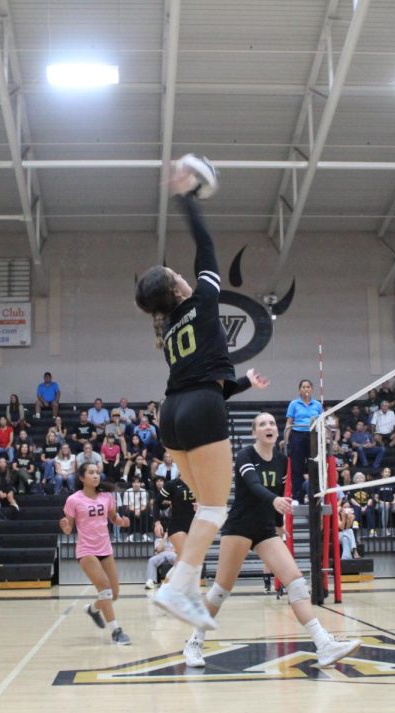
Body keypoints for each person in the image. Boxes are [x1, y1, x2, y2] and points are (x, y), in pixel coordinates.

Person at [134, 163, 270, 631]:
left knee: (203, 509)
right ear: (177, 287)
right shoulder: (203, 301)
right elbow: (207, 247)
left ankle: (185, 586)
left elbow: (206, 380)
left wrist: (244, 384)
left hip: (170, 414)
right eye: (176, 273)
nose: (183, 274)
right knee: (215, 508)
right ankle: (177, 585)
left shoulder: (169, 326)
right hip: (200, 408)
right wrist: (187, 197)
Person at [180, 413, 360, 668]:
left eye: (272, 423)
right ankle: (194, 642)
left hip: (265, 529)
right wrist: (274, 500)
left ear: (277, 432)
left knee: (296, 583)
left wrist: (278, 525)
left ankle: (323, 645)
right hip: (240, 527)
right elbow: (254, 485)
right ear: (254, 433)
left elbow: (278, 496)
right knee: (220, 590)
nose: (268, 427)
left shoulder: (281, 460)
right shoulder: (245, 456)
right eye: (262, 424)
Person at [61, 462, 132, 645]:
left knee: (114, 593)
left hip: (105, 549)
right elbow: (68, 529)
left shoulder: (107, 496)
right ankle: (116, 631)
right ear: (82, 478)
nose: (95, 476)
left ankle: (92, 609)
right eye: (91, 473)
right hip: (86, 550)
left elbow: (113, 518)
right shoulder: (74, 500)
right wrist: (65, 526)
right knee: (106, 590)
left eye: (97, 472)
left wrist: (122, 522)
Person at [284, 379, 322, 503]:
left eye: (308, 387)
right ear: (299, 389)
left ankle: (316, 496)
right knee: (297, 468)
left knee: (315, 466)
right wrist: (285, 439)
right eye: (303, 387)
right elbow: (289, 422)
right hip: (297, 435)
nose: (306, 389)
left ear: (312, 389)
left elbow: (321, 423)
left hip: (313, 435)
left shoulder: (317, 404)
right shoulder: (294, 404)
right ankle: (297, 498)